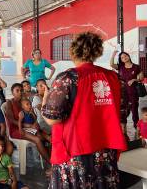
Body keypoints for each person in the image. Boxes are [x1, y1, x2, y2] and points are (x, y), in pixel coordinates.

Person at [42, 32, 127, 188]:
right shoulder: (115, 78)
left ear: (73, 51)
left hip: (76, 152)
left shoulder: (68, 78)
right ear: (96, 52)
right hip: (105, 152)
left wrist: (45, 100)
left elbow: (52, 118)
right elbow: (122, 112)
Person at [5, 83, 50, 163]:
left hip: (28, 127)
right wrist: (27, 125)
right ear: (12, 92)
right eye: (17, 90)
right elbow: (11, 119)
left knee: (45, 136)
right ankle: (50, 163)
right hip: (16, 129)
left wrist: (34, 122)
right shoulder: (10, 103)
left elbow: (32, 116)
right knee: (37, 139)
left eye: (21, 90)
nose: (20, 92)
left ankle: (51, 160)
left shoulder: (25, 102)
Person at [110, 50, 144, 128]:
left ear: (128, 56)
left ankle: (137, 126)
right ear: (121, 60)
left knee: (134, 109)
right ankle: (123, 127)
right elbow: (111, 64)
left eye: (125, 56)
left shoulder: (136, 67)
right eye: (122, 57)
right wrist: (113, 54)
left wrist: (134, 80)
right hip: (122, 92)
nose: (124, 58)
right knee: (123, 109)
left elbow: (141, 78)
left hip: (133, 91)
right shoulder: (120, 67)